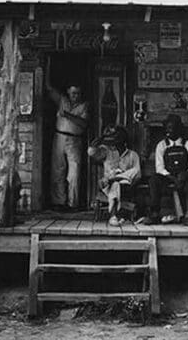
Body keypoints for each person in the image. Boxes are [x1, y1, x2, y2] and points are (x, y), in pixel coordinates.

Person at [142, 114, 188, 225]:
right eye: (167, 128)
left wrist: (185, 175)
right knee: (154, 180)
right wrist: (172, 178)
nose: (169, 131)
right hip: (167, 178)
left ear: (178, 129)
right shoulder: (162, 145)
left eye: (171, 128)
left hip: (183, 177)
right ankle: (154, 213)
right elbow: (160, 168)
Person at [47, 74, 89, 211]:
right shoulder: (62, 100)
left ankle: (73, 203)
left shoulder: (84, 105)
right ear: (68, 92)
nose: (75, 96)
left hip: (75, 139)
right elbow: (48, 88)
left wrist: (68, 115)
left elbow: (83, 123)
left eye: (77, 93)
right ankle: (59, 201)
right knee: (58, 170)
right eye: (72, 93)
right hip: (59, 136)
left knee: (74, 172)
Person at [88, 126, 141, 226]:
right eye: (113, 137)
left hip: (126, 185)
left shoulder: (133, 155)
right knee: (115, 184)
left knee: (130, 173)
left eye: (117, 137)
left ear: (123, 139)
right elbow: (91, 152)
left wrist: (123, 180)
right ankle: (113, 215)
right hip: (107, 185)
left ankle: (114, 216)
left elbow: (137, 175)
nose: (114, 140)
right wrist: (102, 137)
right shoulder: (106, 152)